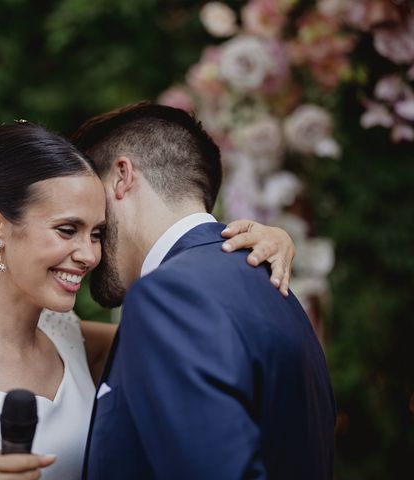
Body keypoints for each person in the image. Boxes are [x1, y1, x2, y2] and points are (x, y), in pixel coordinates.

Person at [0, 121, 296, 480]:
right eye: (67, 230)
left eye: (98, 233)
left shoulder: (72, 340)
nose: (89, 254)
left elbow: (196, 345)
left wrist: (249, 255)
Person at [73, 103, 336, 480]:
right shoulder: (278, 292)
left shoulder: (167, 296)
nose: (89, 239)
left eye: (88, 202)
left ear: (121, 177)